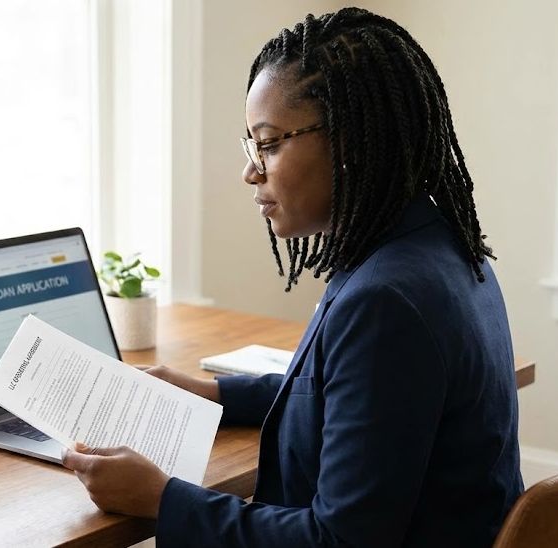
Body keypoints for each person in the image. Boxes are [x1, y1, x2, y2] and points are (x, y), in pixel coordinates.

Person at [62, 7, 523, 546]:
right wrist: (211, 392)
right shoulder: (439, 246)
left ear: (349, 140)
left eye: (270, 142)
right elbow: (354, 396)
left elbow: (340, 541)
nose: (250, 170)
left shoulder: (386, 301)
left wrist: (162, 499)